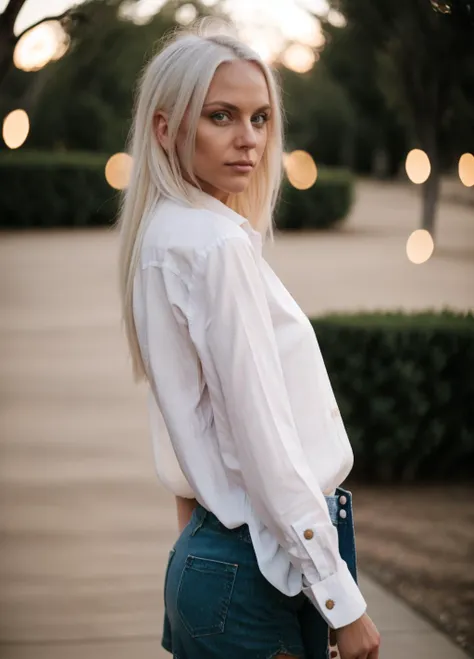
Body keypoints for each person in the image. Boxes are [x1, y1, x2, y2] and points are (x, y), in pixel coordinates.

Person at [117, 18, 381, 659]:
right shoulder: (215, 246)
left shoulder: (162, 236)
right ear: (165, 127)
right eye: (222, 116)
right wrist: (342, 602)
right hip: (257, 575)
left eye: (260, 118)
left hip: (215, 564)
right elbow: (263, 438)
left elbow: (191, 418)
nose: (249, 140)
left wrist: (198, 544)